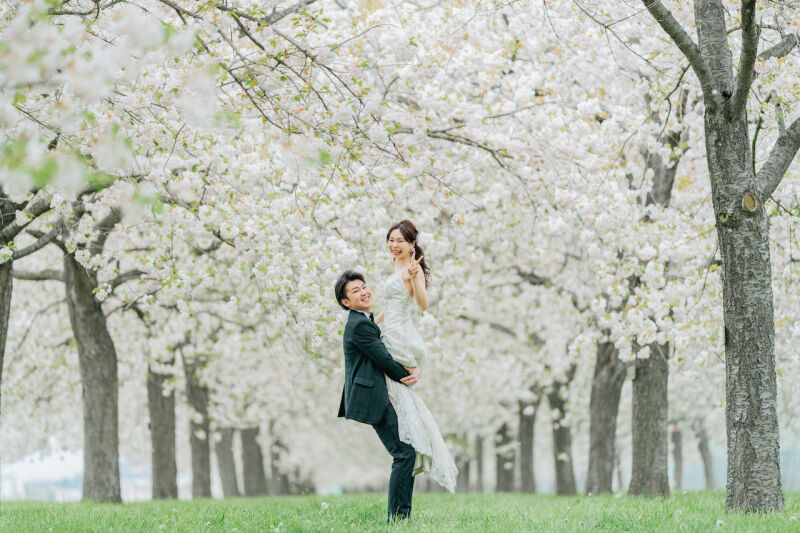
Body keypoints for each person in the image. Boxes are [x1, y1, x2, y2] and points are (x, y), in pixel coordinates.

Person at [375, 219, 458, 493]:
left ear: (412, 244)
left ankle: (412, 444)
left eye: (399, 240)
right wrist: (372, 324)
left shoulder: (413, 269)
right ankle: (409, 442)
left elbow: (422, 304)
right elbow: (391, 303)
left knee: (400, 390)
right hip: (388, 328)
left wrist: (414, 276)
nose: (393, 245)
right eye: (391, 240)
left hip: (399, 334)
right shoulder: (395, 267)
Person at [336, 269, 420, 522]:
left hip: (373, 394)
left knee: (404, 452)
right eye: (355, 290)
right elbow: (383, 359)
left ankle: (399, 518)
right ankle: (398, 519)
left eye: (364, 287)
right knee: (404, 453)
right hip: (373, 397)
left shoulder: (362, 320)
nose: (364, 292)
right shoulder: (359, 325)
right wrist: (410, 375)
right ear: (345, 302)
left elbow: (374, 328)